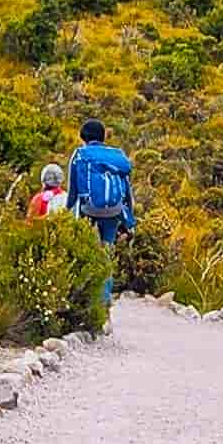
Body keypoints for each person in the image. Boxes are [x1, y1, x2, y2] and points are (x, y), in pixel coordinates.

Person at [66, 118, 134, 308]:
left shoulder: (80, 154)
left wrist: (66, 213)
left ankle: (85, 297)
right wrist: (129, 218)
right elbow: (127, 189)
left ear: (83, 137)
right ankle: (105, 299)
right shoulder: (118, 156)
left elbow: (73, 190)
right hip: (114, 210)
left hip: (89, 209)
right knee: (107, 251)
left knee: (85, 249)